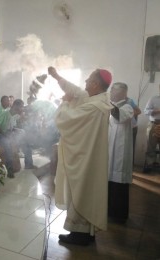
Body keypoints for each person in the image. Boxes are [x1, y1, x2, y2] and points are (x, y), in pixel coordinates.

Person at [48, 66, 113, 246]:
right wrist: (57, 77)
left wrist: (65, 103)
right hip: (91, 156)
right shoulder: (100, 99)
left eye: (88, 79)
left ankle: (80, 235)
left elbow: (68, 120)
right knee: (87, 192)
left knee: (81, 191)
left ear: (94, 84)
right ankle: (87, 233)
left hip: (85, 159)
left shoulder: (94, 106)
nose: (84, 82)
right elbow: (76, 90)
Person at [108, 82, 134, 223]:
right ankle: (109, 210)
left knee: (119, 183)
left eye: (113, 90)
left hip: (120, 152)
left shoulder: (128, 106)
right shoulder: (113, 105)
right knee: (109, 182)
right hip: (110, 151)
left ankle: (119, 214)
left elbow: (118, 115)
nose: (111, 92)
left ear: (122, 93)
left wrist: (105, 101)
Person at [0, 99, 34, 177]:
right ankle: (9, 169)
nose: (22, 109)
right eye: (21, 107)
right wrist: (5, 135)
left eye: (22, 107)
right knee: (7, 143)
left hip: (7, 133)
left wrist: (17, 131)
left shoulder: (14, 116)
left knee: (25, 141)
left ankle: (29, 164)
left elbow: (11, 128)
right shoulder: (4, 114)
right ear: (14, 106)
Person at [144, 94, 160, 169]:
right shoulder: (153, 98)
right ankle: (149, 164)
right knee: (150, 145)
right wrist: (156, 111)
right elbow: (145, 111)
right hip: (154, 124)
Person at [126, 97, 141, 164]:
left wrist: (129, 114)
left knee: (130, 147)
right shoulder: (112, 100)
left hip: (132, 127)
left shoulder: (129, 101)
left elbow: (138, 111)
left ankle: (130, 165)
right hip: (120, 128)